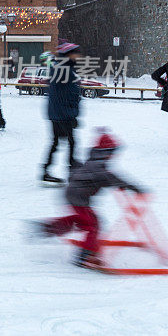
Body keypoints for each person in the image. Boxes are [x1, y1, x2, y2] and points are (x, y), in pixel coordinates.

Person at [34, 130, 144, 269]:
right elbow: (112, 178)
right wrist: (135, 188)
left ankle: (48, 227)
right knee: (93, 225)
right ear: (106, 152)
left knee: (80, 220)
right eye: (112, 152)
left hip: (73, 195)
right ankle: (86, 255)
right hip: (78, 198)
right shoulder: (99, 167)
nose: (113, 155)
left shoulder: (93, 161)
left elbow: (93, 175)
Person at [43, 42, 82, 184]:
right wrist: (73, 114)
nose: (78, 56)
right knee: (70, 142)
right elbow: (69, 95)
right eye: (75, 53)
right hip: (63, 114)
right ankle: (72, 170)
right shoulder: (64, 70)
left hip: (58, 113)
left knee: (59, 142)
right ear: (69, 55)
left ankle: (47, 170)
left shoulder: (61, 68)